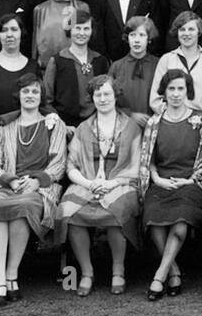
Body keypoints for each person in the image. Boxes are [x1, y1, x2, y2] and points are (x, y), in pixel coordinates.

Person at [0, 74, 67, 306]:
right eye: (26, 92)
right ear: (19, 96)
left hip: (39, 187)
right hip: (7, 185)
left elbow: (58, 163)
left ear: (41, 96)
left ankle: (12, 273)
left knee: (23, 206)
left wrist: (37, 181)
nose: (30, 96)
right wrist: (11, 181)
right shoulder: (6, 127)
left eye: (35, 91)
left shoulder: (55, 125)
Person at [56, 75, 143, 297]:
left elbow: (136, 166)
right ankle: (86, 272)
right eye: (98, 94)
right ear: (92, 98)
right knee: (68, 211)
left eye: (107, 94)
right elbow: (71, 165)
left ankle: (118, 270)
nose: (102, 99)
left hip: (121, 182)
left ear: (115, 96)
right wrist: (89, 183)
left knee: (117, 210)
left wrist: (112, 182)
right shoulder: (83, 128)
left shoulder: (132, 127)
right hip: (88, 182)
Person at [138, 69, 202, 300]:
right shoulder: (154, 123)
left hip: (191, 183)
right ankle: (174, 271)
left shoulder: (200, 120)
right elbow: (147, 159)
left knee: (180, 222)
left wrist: (189, 179)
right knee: (154, 220)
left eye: (180, 88)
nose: (175, 94)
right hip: (162, 182)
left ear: (188, 91)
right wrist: (157, 179)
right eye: (171, 89)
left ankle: (159, 276)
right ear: (164, 92)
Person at [41, 4, 110, 128]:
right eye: (77, 28)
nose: (81, 33)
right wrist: (61, 125)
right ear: (70, 30)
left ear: (92, 31)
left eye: (86, 29)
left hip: (97, 125)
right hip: (66, 126)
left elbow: (108, 95)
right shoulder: (57, 61)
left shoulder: (101, 61)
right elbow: (47, 100)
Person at [153, 10, 202, 117]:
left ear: (199, 32)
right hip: (173, 122)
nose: (186, 33)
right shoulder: (166, 60)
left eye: (191, 29)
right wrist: (173, 116)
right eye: (182, 29)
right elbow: (155, 98)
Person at [33, 0, 86, 67]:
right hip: (46, 71)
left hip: (74, 68)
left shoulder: (81, 8)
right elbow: (35, 46)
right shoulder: (40, 10)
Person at [108, 15, 159, 126]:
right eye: (132, 35)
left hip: (153, 125)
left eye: (141, 35)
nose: (137, 40)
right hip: (124, 125)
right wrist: (130, 114)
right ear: (127, 38)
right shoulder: (117, 66)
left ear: (149, 38)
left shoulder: (158, 64)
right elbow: (108, 99)